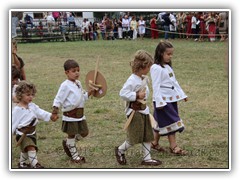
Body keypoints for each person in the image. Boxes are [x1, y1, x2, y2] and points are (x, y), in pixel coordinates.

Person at [115, 50, 162, 166]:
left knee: (147, 135)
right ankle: (120, 150)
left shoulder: (143, 78)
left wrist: (146, 94)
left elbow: (146, 92)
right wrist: (136, 95)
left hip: (144, 111)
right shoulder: (132, 80)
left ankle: (147, 158)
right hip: (134, 112)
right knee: (134, 136)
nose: (150, 69)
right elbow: (123, 93)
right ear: (142, 66)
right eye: (149, 67)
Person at [52, 59, 95, 164]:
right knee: (71, 135)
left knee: (84, 132)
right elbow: (58, 99)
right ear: (66, 72)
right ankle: (75, 157)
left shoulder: (78, 83)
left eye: (78, 70)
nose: (77, 73)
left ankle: (68, 143)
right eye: (73, 71)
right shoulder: (65, 85)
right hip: (70, 116)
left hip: (80, 115)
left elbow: (83, 97)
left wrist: (90, 92)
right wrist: (55, 111)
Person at [150, 41, 188, 155]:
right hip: (163, 101)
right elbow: (155, 86)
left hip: (171, 100)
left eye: (172, 54)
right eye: (168, 54)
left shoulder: (168, 67)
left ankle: (154, 143)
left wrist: (182, 94)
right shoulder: (156, 68)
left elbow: (174, 82)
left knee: (159, 123)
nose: (170, 56)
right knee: (172, 121)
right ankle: (174, 147)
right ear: (161, 53)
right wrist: (159, 102)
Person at [12, 81, 58, 168]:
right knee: (31, 147)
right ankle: (35, 164)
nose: (31, 97)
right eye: (28, 94)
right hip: (23, 134)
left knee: (25, 150)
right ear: (20, 95)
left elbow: (41, 113)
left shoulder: (32, 106)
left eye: (32, 94)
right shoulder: (17, 110)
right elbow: (12, 123)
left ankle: (22, 163)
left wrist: (50, 116)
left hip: (32, 133)